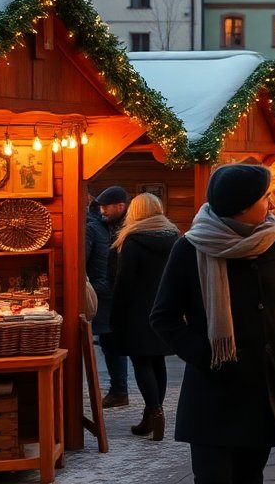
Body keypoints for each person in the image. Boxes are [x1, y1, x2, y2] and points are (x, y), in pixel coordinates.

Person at [151, 164, 275, 482]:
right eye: (265, 197)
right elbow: (163, 316)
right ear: (243, 205)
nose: (271, 203)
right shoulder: (190, 247)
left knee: (252, 476)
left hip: (263, 385)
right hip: (215, 392)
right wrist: (205, 355)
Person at [110, 193, 179, 441]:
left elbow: (124, 282)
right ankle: (151, 416)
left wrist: (116, 314)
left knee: (141, 363)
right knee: (158, 363)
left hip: (137, 312)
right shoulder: (174, 237)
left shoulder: (133, 240)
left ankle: (155, 412)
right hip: (165, 310)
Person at [87, 185, 131, 407]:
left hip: (109, 292)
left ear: (120, 206)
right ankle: (119, 390)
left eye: (106, 206)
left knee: (112, 343)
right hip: (106, 292)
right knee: (111, 342)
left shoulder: (101, 228)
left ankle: (119, 390)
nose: (103, 210)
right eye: (101, 206)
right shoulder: (103, 227)